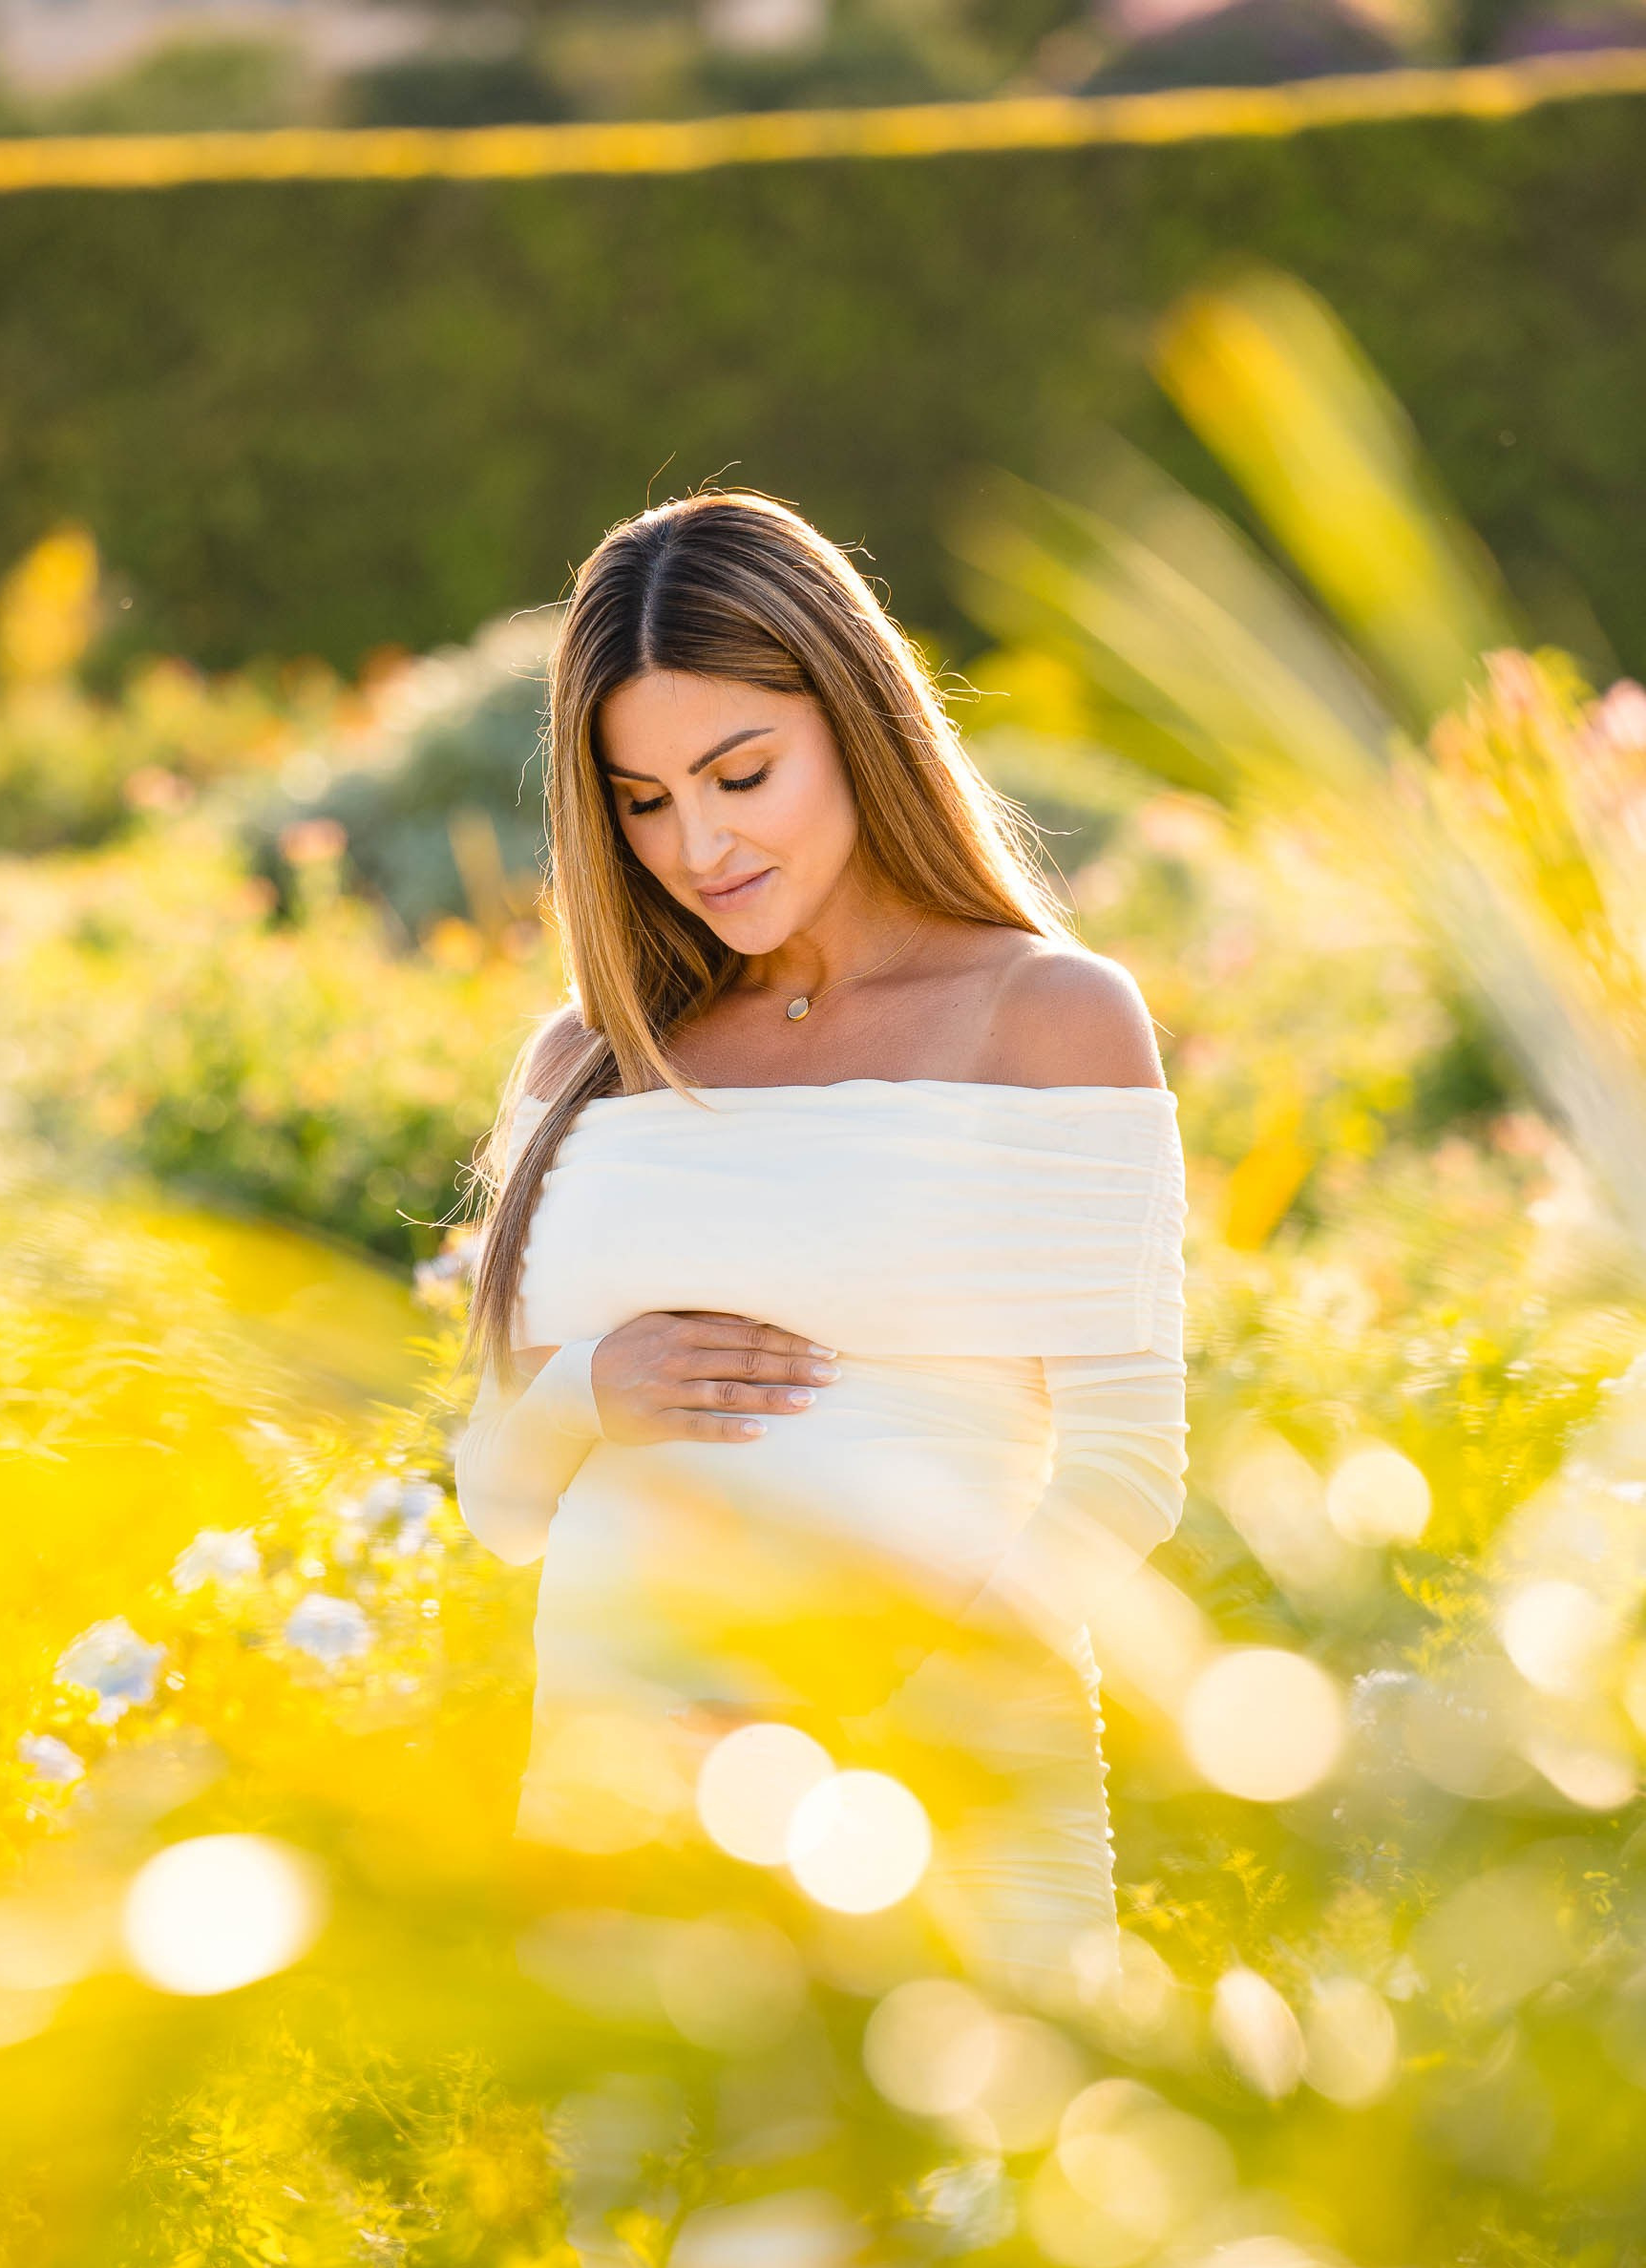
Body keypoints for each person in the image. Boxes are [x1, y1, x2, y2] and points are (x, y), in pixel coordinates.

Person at [454, 490, 1187, 1990]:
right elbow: (495, 1499)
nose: (698, 843)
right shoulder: (583, 1062)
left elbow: (1124, 1470)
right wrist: (590, 1388)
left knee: (948, 2213)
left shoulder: (1045, 1018)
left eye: (741, 773)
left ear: (855, 719)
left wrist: (853, 1711)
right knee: (629, 2225)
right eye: (644, 800)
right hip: (619, 1811)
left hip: (938, 1792)